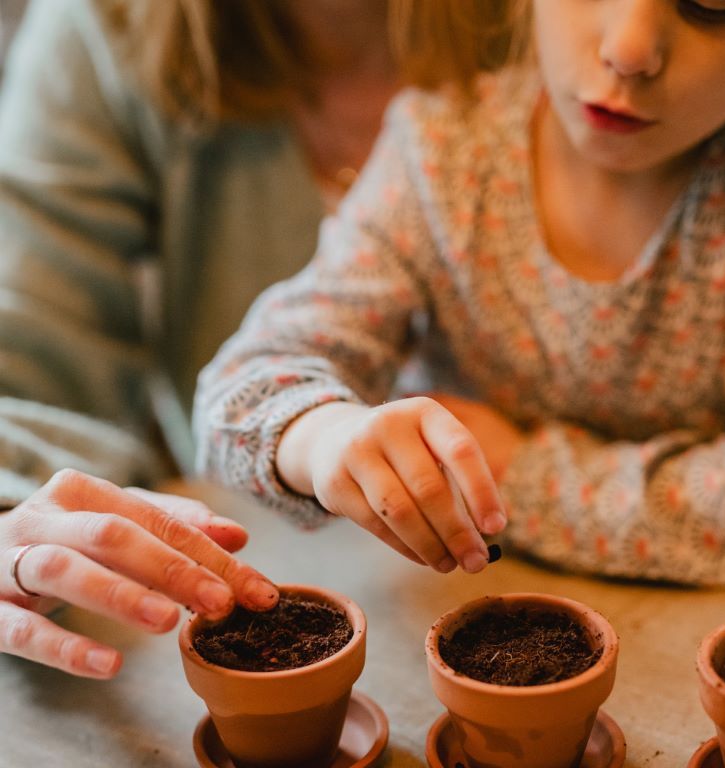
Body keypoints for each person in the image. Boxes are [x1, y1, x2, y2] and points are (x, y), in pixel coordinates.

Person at [195, 0, 725, 588]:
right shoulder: (444, 147)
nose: (628, 49)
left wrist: (521, 478)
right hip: (446, 605)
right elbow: (239, 396)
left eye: (713, 4)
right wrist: (327, 438)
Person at [0, 0, 472, 676]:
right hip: (241, 567)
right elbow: (23, 355)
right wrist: (13, 517)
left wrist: (532, 470)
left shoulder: (593, 35)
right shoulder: (103, 25)